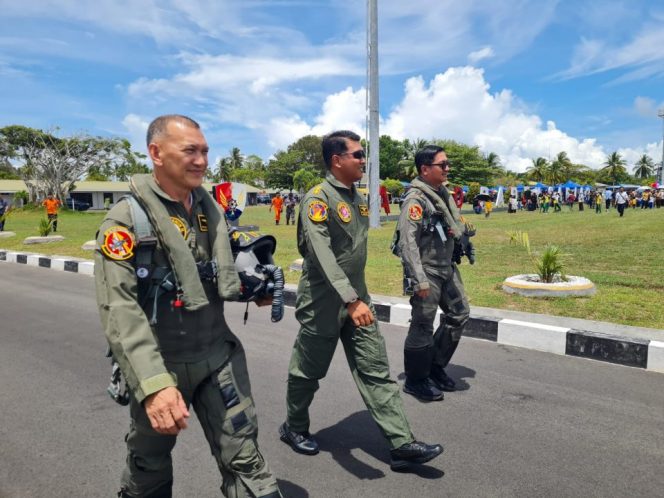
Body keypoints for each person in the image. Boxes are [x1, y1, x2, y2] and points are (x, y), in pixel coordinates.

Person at [94, 115, 281, 498]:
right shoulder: (126, 221)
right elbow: (120, 308)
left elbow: (219, 268)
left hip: (217, 357)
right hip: (160, 364)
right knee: (149, 469)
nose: (201, 160)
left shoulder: (208, 210)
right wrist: (153, 385)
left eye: (205, 151)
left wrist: (251, 286)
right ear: (156, 153)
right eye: (190, 151)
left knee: (245, 459)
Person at [279, 130, 442, 471]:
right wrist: (350, 300)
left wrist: (357, 299)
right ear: (336, 160)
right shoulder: (317, 200)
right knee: (307, 373)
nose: (362, 160)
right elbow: (321, 255)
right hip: (325, 303)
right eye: (356, 155)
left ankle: (401, 445)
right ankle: (293, 428)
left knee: (376, 371)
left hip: (357, 301)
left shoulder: (358, 197)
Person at [395, 145, 471, 402]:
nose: (448, 168)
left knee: (459, 314)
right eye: (443, 164)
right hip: (426, 270)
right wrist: (419, 279)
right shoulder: (416, 199)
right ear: (425, 169)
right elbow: (408, 242)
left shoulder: (442, 195)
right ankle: (416, 380)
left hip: (446, 267)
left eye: (447, 163)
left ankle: (435, 367)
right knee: (422, 325)